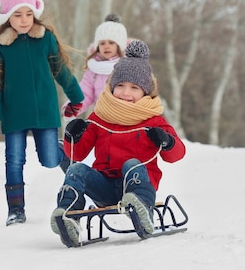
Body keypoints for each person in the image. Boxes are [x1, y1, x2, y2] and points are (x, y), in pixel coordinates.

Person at [50, 40, 186, 247]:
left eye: (134, 88)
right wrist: (72, 137)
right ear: (111, 87)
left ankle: (141, 208)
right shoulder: (100, 117)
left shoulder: (153, 120)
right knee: (77, 169)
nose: (125, 93)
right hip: (104, 186)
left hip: (137, 185)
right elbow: (76, 154)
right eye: (120, 86)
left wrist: (166, 141)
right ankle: (67, 215)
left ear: (145, 92)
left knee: (132, 164)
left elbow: (176, 155)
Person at [0, 0, 84, 226]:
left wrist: (76, 97)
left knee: (49, 159)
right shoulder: (2, 45)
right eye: (17, 15)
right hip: (14, 112)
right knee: (14, 160)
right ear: (8, 17)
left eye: (28, 14)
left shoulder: (45, 38)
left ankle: (65, 157)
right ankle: (16, 210)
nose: (24, 20)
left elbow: (60, 69)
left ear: (34, 13)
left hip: (44, 111)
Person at [60, 13, 128, 119]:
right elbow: (85, 92)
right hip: (101, 117)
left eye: (111, 42)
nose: (106, 46)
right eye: (102, 43)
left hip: (124, 117)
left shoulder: (128, 67)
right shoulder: (94, 69)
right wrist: (73, 104)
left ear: (120, 45)